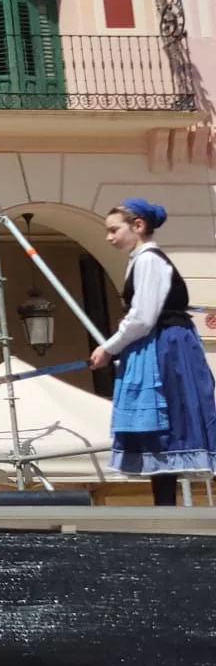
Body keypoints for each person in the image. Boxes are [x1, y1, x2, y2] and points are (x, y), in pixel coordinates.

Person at [87, 199, 216, 506]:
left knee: (169, 417)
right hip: (158, 343)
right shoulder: (141, 260)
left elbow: (143, 316)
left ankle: (166, 507)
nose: (109, 237)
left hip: (164, 347)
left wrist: (108, 347)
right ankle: (164, 506)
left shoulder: (149, 260)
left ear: (138, 226)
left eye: (114, 230)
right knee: (163, 424)